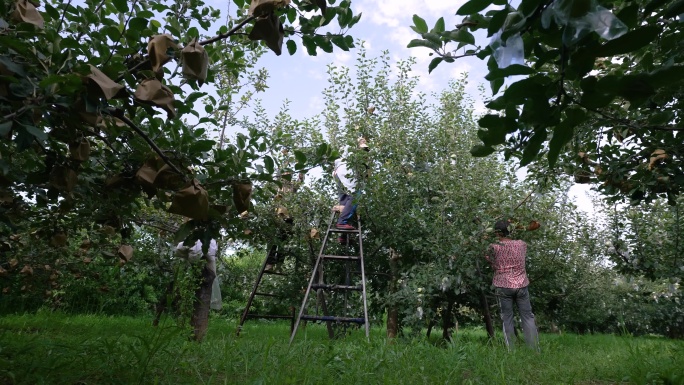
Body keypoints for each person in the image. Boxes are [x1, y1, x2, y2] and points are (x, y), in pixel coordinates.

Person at [486, 220, 539, 351]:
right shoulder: (521, 244)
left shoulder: (493, 247)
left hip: (503, 285)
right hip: (521, 284)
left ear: (497, 233)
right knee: (527, 317)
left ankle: (512, 351)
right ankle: (534, 350)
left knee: (507, 318)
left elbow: (488, 259)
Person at [332, 137, 369, 231]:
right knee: (356, 195)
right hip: (345, 172)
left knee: (344, 200)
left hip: (338, 173)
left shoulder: (346, 150)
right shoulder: (352, 148)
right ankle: (342, 222)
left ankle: (343, 235)